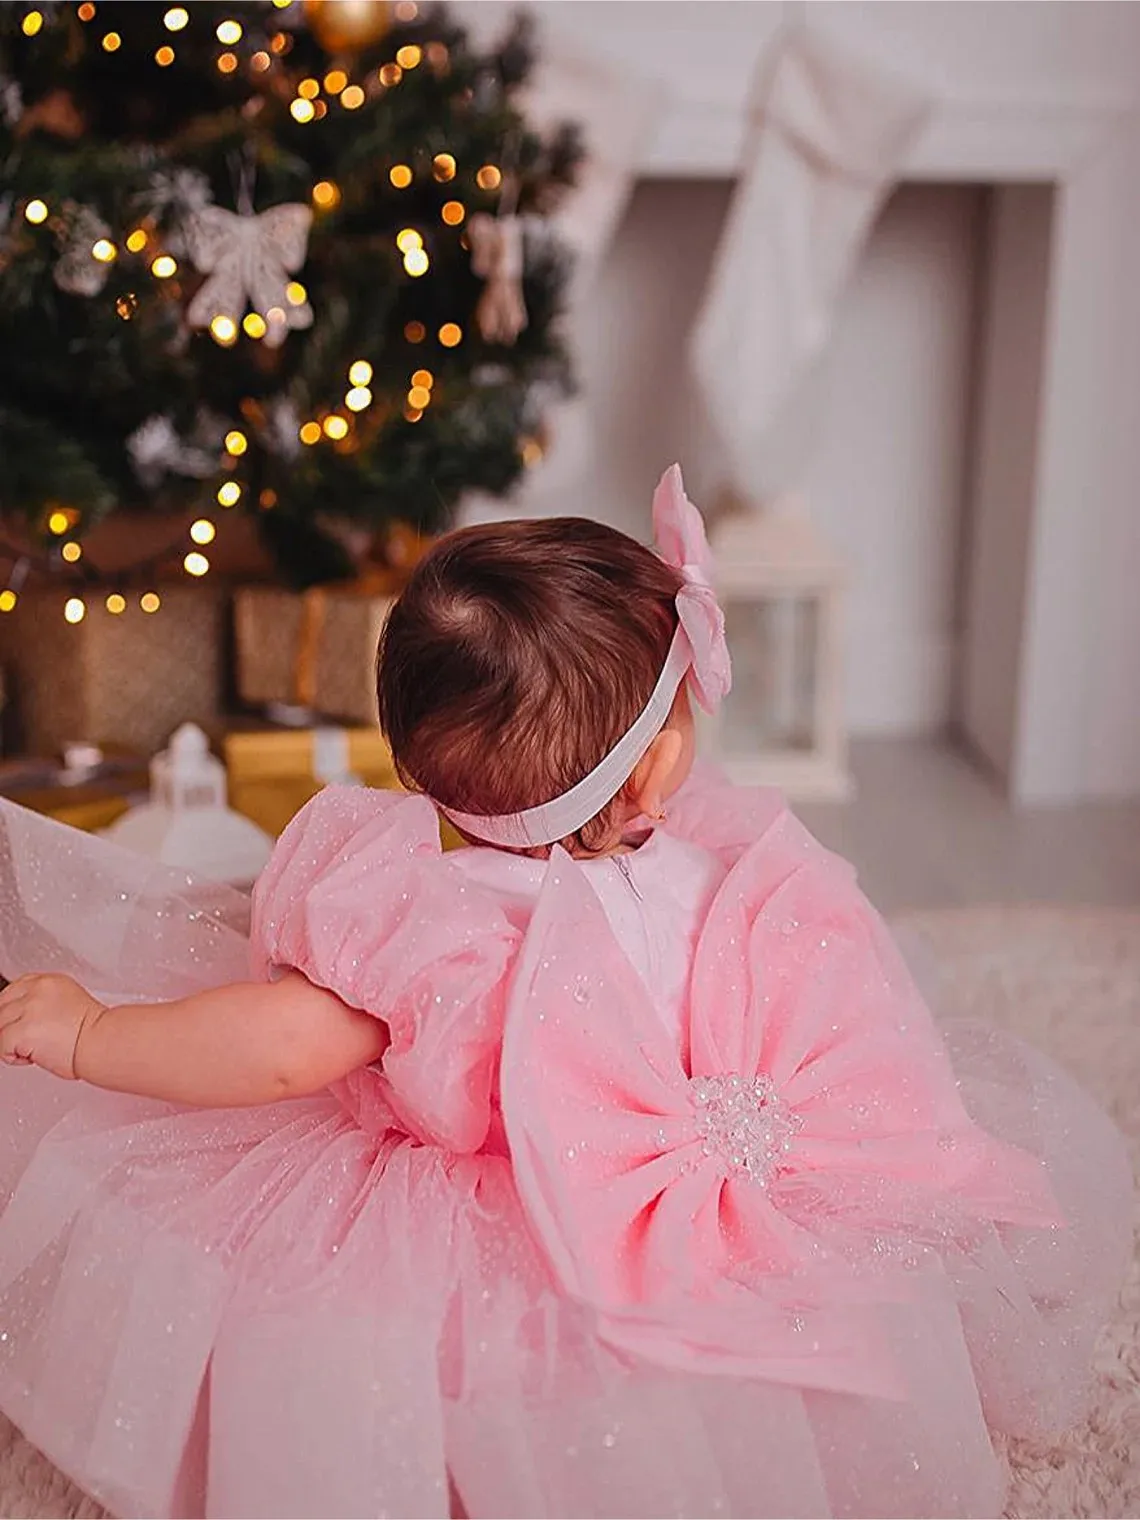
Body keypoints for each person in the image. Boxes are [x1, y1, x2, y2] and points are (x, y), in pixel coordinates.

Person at [0, 467, 1129, 1520]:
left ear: (409, 759)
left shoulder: (422, 924)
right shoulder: (704, 875)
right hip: (646, 1170)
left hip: (568, 1178)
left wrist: (95, 1029)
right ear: (646, 769)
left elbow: (282, 1048)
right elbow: (815, 983)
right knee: (680, 1362)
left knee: (411, 1350)